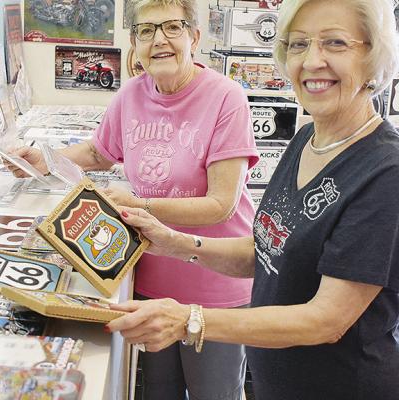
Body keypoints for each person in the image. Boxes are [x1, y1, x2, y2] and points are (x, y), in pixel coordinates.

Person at [106, 1, 399, 399]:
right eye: (297, 45)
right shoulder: (306, 141)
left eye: (335, 43)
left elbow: (325, 321)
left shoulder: (385, 171)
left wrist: (189, 319)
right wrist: (177, 243)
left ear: (374, 56)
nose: (312, 60)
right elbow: (266, 251)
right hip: (277, 381)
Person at [6, 1, 259, 399]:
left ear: (194, 37)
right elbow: (97, 153)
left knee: (215, 393)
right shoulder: (132, 94)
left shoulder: (226, 98)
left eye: (172, 27)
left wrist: (140, 205)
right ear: (135, 43)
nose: (159, 39)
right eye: (146, 30)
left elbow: (221, 204)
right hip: (149, 280)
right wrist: (45, 159)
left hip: (213, 287)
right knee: (157, 392)